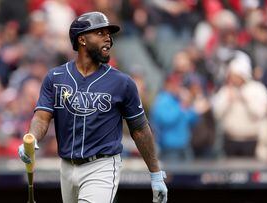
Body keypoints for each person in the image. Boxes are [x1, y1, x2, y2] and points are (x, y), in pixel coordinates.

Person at [18, 11, 167, 203]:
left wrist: (155, 174)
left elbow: (139, 129)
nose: (108, 39)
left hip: (102, 165)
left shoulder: (122, 82)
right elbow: (42, 117)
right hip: (66, 166)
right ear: (82, 39)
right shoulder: (55, 77)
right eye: (100, 33)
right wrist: (32, 139)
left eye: (109, 34)